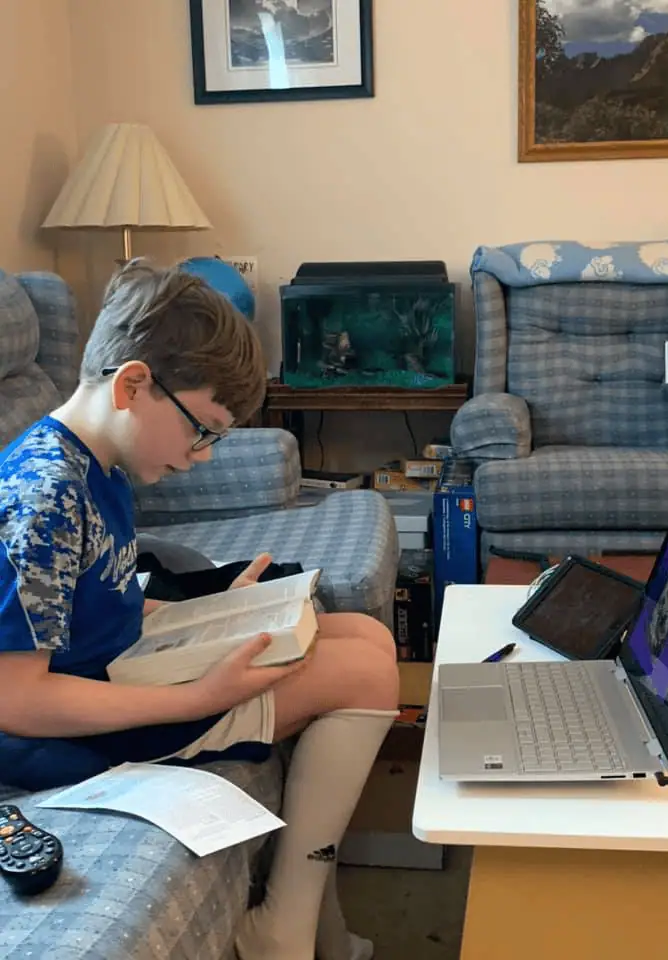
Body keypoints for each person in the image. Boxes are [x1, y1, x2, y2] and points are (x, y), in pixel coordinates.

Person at [0, 260, 399, 960]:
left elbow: (100, 602)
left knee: (363, 634)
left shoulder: (98, 465)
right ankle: (284, 931)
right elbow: (16, 698)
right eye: (203, 430)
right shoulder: (44, 498)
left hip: (113, 672)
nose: (205, 457)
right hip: (64, 736)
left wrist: (218, 607)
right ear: (133, 385)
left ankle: (315, 920)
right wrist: (198, 697)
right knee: (361, 678)